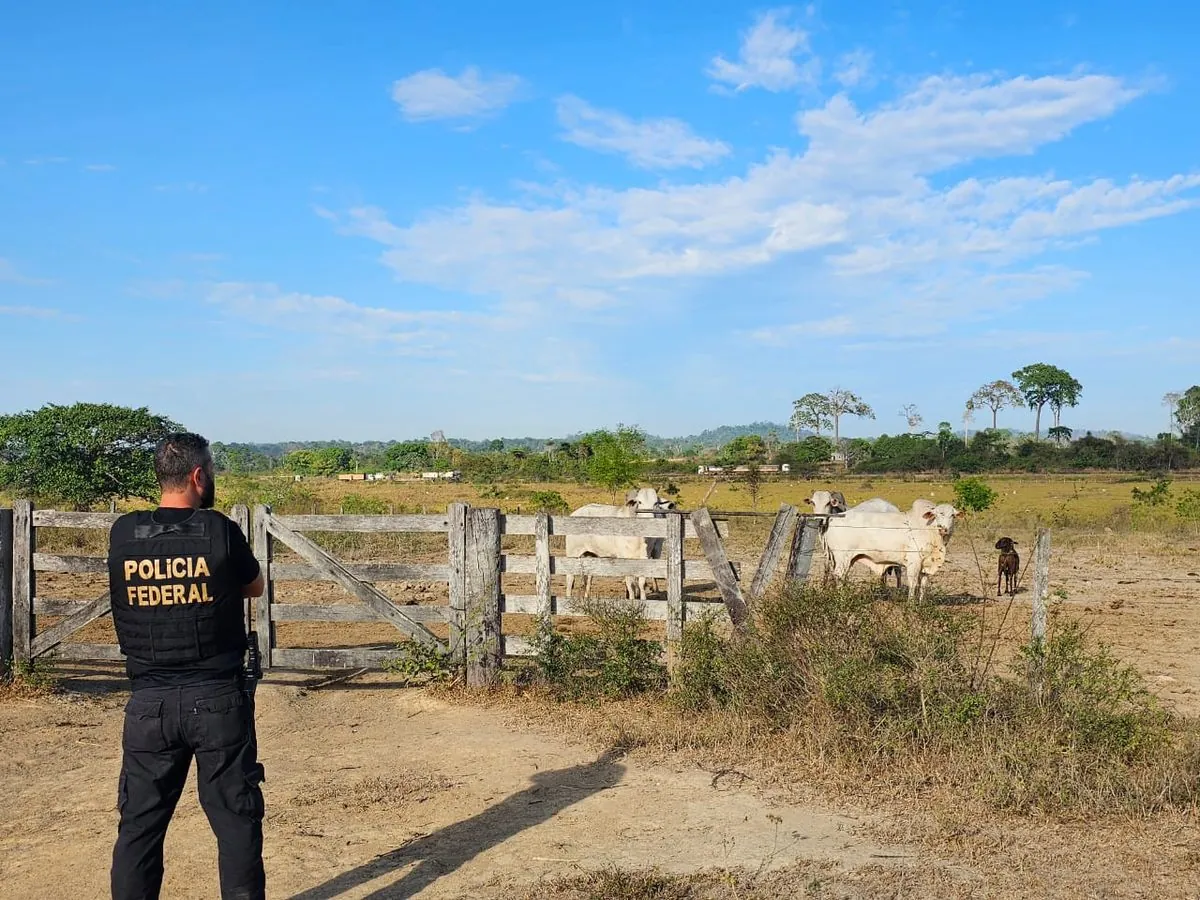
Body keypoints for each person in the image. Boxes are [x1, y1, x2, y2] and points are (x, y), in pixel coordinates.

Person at [107, 432, 267, 900]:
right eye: (211, 471)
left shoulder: (123, 533)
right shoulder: (218, 530)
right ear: (199, 476)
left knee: (139, 828)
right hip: (217, 701)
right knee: (235, 823)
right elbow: (253, 587)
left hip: (147, 705)